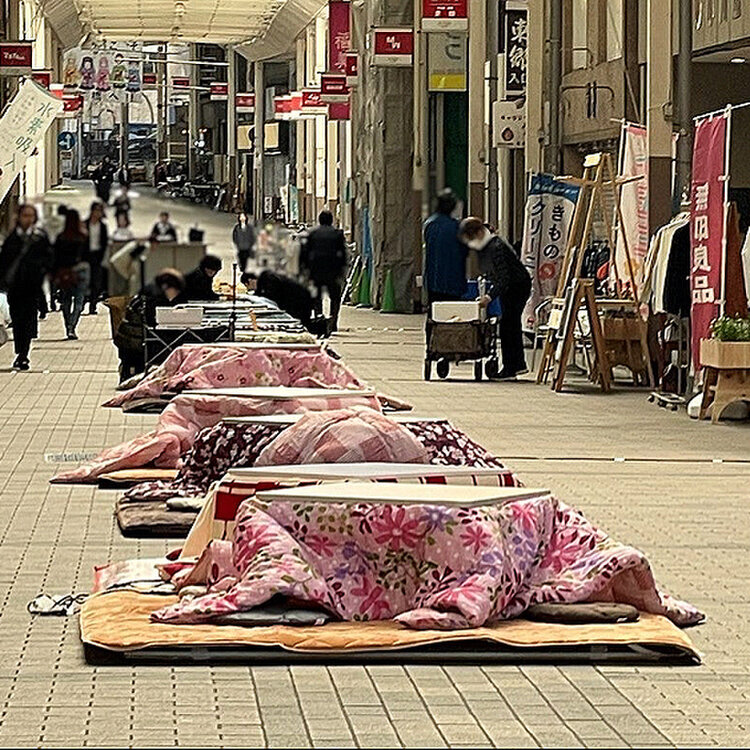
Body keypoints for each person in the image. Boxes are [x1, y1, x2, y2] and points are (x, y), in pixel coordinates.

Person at [458, 217, 532, 380]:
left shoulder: (495, 247)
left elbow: (504, 278)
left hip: (517, 287)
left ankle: (511, 369)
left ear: (479, 233)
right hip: (514, 285)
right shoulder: (489, 245)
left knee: (508, 325)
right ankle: (517, 366)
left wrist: (489, 297)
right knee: (510, 324)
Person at [0, 205, 53, 370]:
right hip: (15, 288)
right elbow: (4, 262)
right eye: (25, 215)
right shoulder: (12, 239)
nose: (28, 219)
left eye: (31, 216)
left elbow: (49, 259)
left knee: (29, 320)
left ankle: (23, 354)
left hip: (32, 287)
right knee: (17, 320)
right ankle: (20, 351)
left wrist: (40, 271)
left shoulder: (39, 238)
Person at [114, 268, 187, 380]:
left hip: (128, 339)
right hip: (138, 342)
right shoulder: (155, 298)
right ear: (166, 287)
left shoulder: (149, 291)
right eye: (175, 290)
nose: (176, 294)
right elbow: (156, 321)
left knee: (130, 366)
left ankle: (127, 376)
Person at [300, 210, 348, 332]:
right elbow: (343, 253)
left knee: (317, 297)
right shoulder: (337, 234)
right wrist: (342, 269)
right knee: (335, 298)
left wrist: (304, 269)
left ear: (319, 220)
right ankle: (332, 322)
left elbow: (304, 253)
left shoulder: (312, 233)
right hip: (333, 271)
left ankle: (319, 319)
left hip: (315, 271)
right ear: (331, 220)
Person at [423, 189, 467, 307]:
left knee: (435, 309)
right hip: (455, 279)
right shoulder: (457, 227)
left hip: (434, 279)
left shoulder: (430, 224)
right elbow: (465, 250)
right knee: (452, 311)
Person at [53, 209, 90, 340]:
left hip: (65, 273)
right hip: (81, 271)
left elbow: (56, 257)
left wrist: (56, 274)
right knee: (79, 300)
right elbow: (88, 256)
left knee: (66, 301)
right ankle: (72, 327)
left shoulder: (61, 237)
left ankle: (68, 325)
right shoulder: (83, 237)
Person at [243, 271, 316, 332]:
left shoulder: (266, 278)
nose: (250, 289)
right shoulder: (266, 278)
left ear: (250, 281)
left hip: (299, 301)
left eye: (247, 286)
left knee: (302, 325)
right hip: (301, 299)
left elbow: (274, 295)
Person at [84, 201, 109, 314]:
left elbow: (104, 242)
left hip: (97, 255)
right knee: (85, 280)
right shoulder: (85, 224)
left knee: (96, 282)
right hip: (86, 255)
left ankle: (93, 305)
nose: (98, 213)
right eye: (96, 211)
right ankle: (82, 303)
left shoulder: (103, 226)